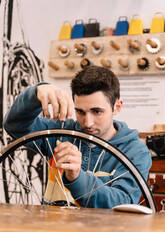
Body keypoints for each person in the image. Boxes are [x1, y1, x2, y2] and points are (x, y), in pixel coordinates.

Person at [3, 65, 152, 209]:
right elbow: (15, 126)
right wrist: (35, 94)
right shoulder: (61, 131)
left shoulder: (136, 152)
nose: (87, 123)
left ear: (117, 107)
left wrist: (76, 177)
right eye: (80, 111)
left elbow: (122, 204)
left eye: (97, 111)